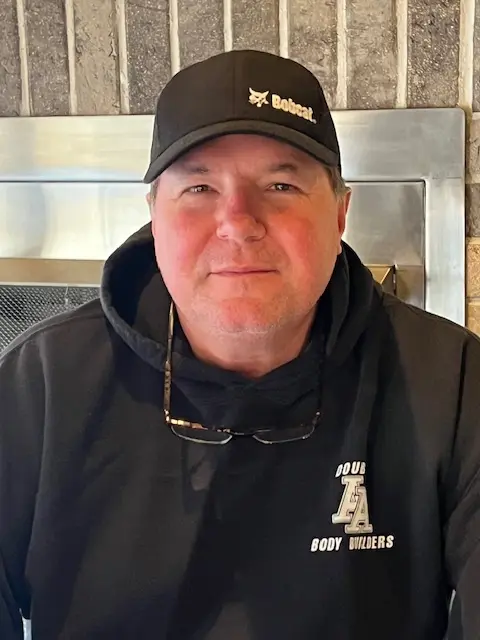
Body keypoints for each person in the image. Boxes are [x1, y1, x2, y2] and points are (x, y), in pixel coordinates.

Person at [0, 49, 478, 640]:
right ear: (154, 216)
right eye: (199, 186)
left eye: (280, 185)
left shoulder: (451, 383)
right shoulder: (41, 386)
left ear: (340, 214)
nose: (238, 221)